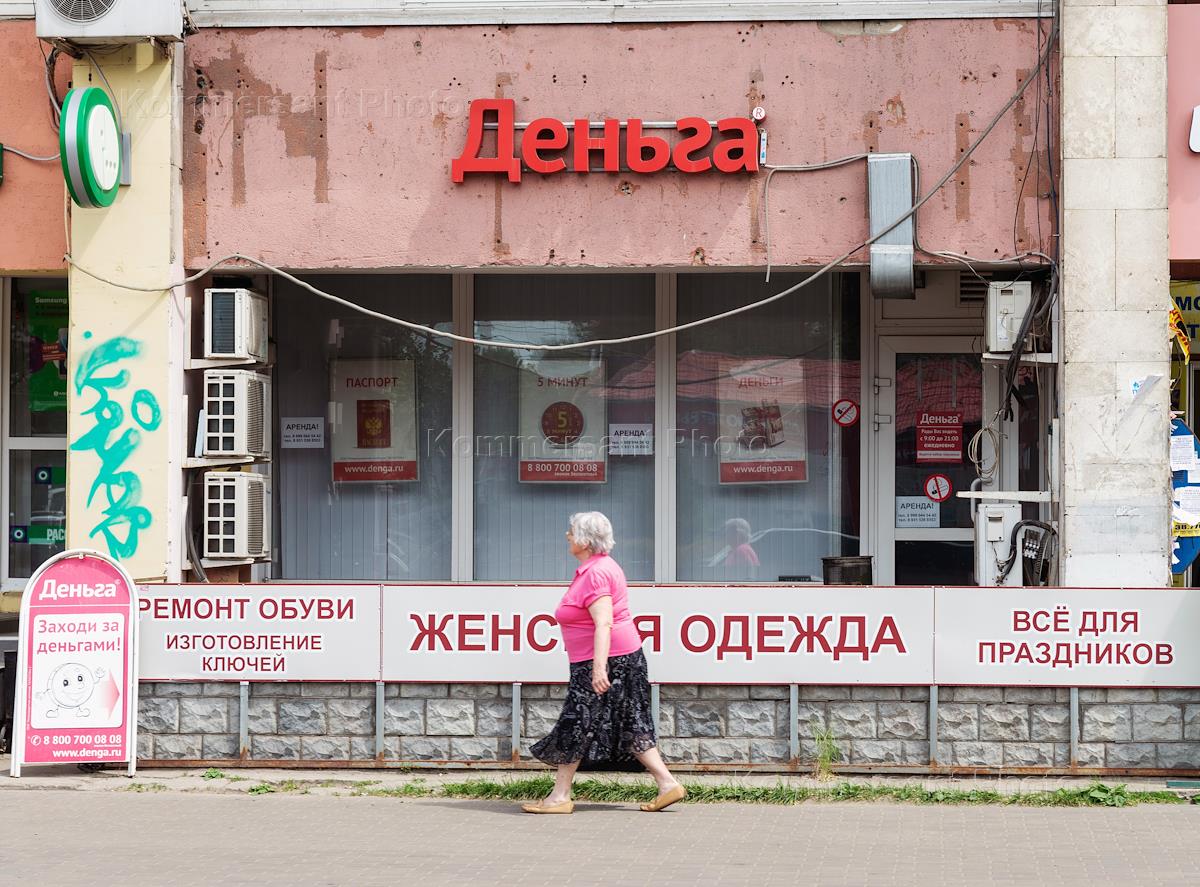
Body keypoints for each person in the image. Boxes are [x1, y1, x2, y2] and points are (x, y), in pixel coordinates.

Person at [522, 511, 686, 814]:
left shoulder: (596, 573)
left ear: (585, 540)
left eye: (572, 531)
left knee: (576, 722)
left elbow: (604, 623)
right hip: (618, 658)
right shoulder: (600, 567)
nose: (567, 536)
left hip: (606, 661)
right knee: (627, 720)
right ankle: (667, 784)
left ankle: (560, 797)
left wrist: (599, 669)